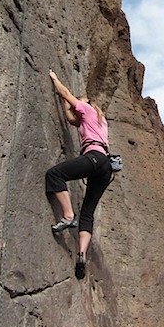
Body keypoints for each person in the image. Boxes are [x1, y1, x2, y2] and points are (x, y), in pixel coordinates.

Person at [45, 69, 113, 280]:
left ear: (84, 106)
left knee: (55, 174)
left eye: (78, 106)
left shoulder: (88, 109)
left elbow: (67, 95)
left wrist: (55, 79)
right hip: (105, 167)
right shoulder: (99, 121)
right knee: (88, 213)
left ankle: (67, 216)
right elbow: (70, 117)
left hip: (93, 157)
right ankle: (82, 254)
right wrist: (66, 104)